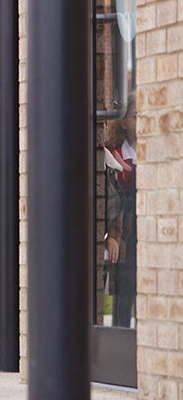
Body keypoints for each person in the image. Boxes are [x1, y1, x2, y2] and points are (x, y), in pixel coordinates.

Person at [103, 115, 136, 327]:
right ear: (124, 122)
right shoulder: (114, 155)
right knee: (125, 289)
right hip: (128, 232)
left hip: (141, 229)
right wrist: (116, 234)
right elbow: (115, 199)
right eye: (134, 116)